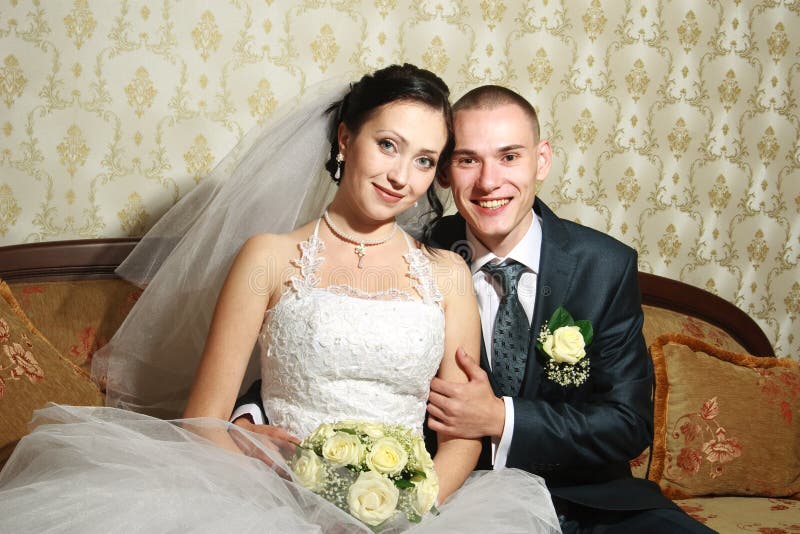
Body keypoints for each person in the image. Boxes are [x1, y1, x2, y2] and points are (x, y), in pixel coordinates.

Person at [0, 66, 559, 533]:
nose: (400, 177)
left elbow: (460, 434)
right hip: (271, 503)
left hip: (416, 513)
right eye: (388, 145)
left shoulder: (448, 274)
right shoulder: (268, 256)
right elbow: (204, 418)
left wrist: (410, 509)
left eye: (423, 160)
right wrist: (263, 460)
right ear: (345, 139)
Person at [423, 85, 715, 533]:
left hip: (593, 503)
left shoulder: (605, 266)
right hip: (466, 503)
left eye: (509, 157)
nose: (488, 181)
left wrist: (502, 418)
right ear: (445, 171)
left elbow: (627, 423)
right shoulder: (416, 260)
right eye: (468, 160)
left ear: (542, 160)